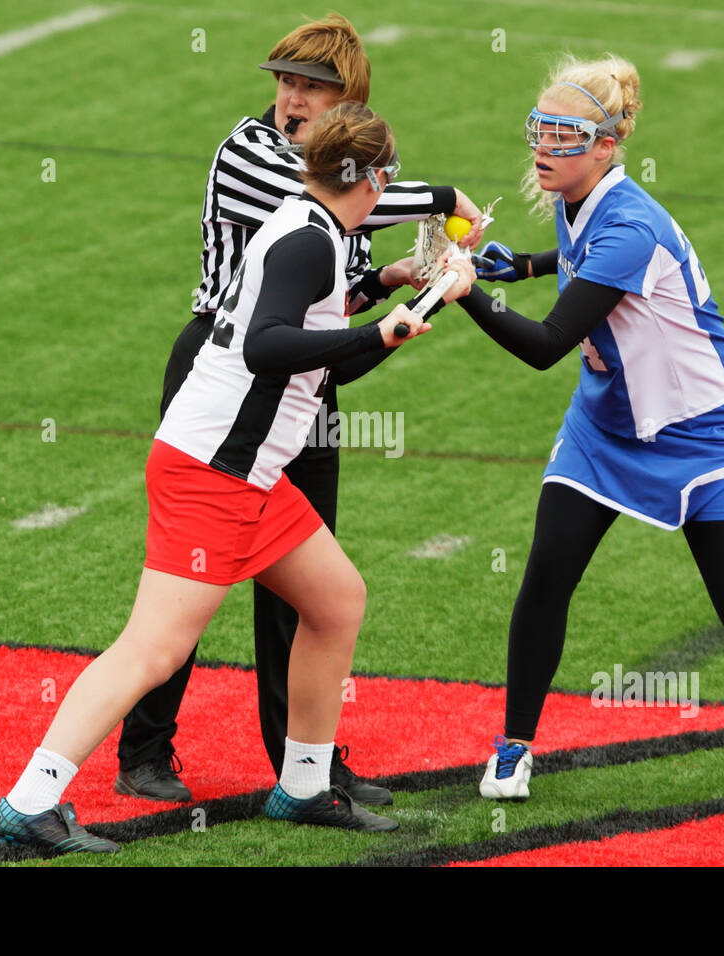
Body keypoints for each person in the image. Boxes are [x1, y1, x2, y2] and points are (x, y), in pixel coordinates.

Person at [0, 103, 477, 852]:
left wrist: (410, 298)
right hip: (212, 472)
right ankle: (30, 800)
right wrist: (387, 323)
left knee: (338, 600)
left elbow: (329, 355)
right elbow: (266, 345)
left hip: (247, 474)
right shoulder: (309, 243)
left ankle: (305, 785)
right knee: (153, 649)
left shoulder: (313, 230)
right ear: (372, 179)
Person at [460, 54, 724, 820]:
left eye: (564, 135)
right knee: (547, 573)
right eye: (538, 130)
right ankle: (514, 745)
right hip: (606, 426)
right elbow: (580, 257)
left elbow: (546, 345)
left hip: (704, 437)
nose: (543, 148)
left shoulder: (632, 226)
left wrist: (468, 288)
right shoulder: (575, 197)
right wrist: (528, 264)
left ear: (608, 145)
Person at [116, 12, 486, 807]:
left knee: (306, 587)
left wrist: (393, 281)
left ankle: (303, 765)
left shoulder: (359, 184)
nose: (290, 100)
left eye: (310, 88)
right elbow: (329, 200)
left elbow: (338, 288)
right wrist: (448, 198)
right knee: (190, 580)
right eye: (284, 82)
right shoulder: (251, 153)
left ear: (345, 96)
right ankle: (144, 752)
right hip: (222, 378)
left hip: (304, 380)